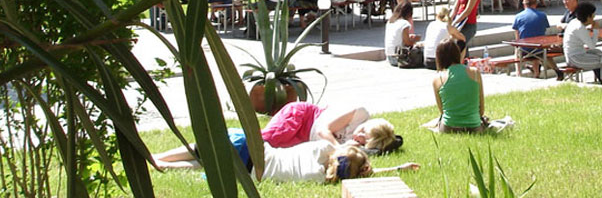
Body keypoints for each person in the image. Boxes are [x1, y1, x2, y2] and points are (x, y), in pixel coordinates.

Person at [153, 134, 418, 182]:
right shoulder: (320, 179)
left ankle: (157, 157)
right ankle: (163, 164)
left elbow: (347, 159)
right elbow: (357, 176)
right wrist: (395, 168)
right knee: (204, 163)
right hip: (247, 171)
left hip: (252, 149)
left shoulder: (322, 150)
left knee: (203, 147)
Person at [261, 102, 398, 152]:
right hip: (304, 119)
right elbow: (323, 130)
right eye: (363, 131)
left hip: (306, 140)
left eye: (364, 140)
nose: (358, 136)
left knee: (272, 152)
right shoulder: (360, 114)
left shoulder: (361, 147)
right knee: (268, 139)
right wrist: (339, 147)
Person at [432, 39, 486, 133]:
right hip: (474, 127)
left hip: (448, 127)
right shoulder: (475, 73)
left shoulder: (437, 79)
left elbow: (442, 111)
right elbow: (481, 111)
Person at [563, 2, 602, 85]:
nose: (594, 18)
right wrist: (595, 30)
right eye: (593, 15)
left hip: (579, 53)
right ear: (588, 17)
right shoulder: (579, 28)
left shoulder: (574, 22)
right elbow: (592, 46)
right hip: (576, 58)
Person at [512, 0, 564, 80]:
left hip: (525, 50)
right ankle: (555, 70)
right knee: (541, 50)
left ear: (524, 4)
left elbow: (517, 36)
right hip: (540, 49)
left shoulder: (518, 16)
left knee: (517, 47)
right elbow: (544, 29)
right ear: (536, 4)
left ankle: (519, 73)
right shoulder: (542, 15)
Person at [385, 0, 421, 66]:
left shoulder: (390, 21)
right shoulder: (404, 23)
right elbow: (407, 43)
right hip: (400, 58)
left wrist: (409, 36)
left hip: (389, 56)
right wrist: (415, 40)